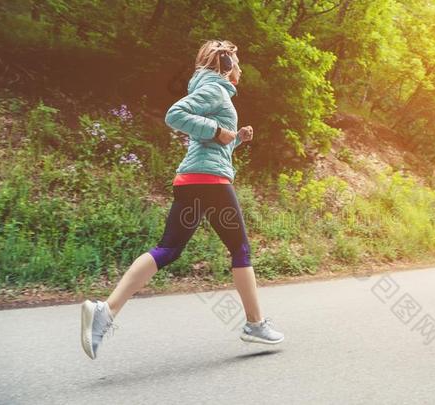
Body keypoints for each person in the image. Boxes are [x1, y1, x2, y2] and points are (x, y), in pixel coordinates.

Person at [81, 39, 284, 360]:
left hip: (194, 180)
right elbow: (175, 114)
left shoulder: (212, 90)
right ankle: (255, 324)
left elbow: (211, 145)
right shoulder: (215, 89)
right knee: (240, 249)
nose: (241, 68)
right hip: (211, 183)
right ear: (227, 65)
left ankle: (105, 311)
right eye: (237, 62)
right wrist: (218, 130)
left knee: (168, 249)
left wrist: (235, 140)